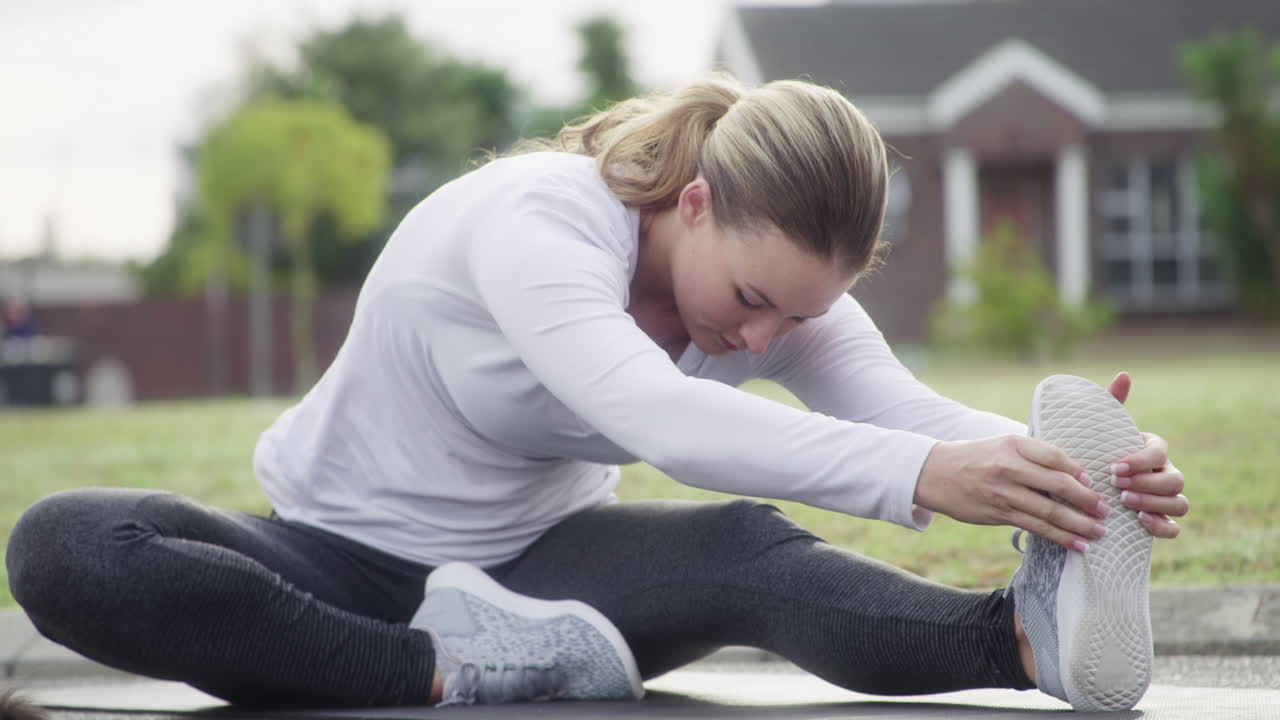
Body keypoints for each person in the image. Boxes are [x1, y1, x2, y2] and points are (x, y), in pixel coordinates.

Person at [5, 75, 1188, 711]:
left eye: (796, 315)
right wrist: (924, 480)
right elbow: (654, 418)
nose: (761, 333)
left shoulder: (771, 286)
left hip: (544, 587)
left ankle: (1027, 639)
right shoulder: (540, 222)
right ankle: (436, 675)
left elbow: (894, 407)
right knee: (69, 545)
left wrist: (1077, 470)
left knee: (744, 550)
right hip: (328, 561)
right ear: (692, 205)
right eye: (753, 297)